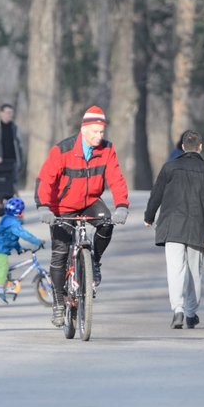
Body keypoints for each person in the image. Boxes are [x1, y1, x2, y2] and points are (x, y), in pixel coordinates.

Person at [35, 105, 130, 326]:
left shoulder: (107, 149)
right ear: (84, 130)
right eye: (95, 132)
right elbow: (45, 180)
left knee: (106, 224)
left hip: (89, 202)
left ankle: (94, 260)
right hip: (63, 205)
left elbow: (116, 178)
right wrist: (44, 207)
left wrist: (122, 205)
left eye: (102, 132)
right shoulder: (63, 150)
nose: (100, 136)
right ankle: (59, 303)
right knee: (59, 254)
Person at [143, 130, 204, 329]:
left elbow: (156, 194)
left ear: (183, 147)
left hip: (172, 225)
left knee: (175, 270)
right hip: (197, 227)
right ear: (200, 147)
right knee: (195, 271)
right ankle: (191, 313)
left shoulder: (169, 167)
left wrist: (149, 217)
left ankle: (178, 310)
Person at [0, 197, 44, 301]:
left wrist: (19, 249)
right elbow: (24, 234)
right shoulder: (13, 224)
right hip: (0, 250)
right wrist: (37, 241)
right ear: (19, 212)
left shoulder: (7, 219)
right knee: (4, 267)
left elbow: (12, 239)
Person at [0, 102, 24, 194]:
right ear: (1, 113)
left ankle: (12, 201)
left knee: (11, 184)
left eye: (11, 113)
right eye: (7, 112)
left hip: (11, 160)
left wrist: (19, 160)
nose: (10, 115)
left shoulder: (14, 127)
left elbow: (19, 144)